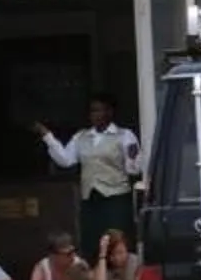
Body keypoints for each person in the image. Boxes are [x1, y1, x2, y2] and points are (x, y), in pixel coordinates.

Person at [38, 95, 144, 253]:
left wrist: (134, 157)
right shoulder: (81, 136)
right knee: (92, 242)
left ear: (109, 112)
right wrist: (47, 136)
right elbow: (66, 160)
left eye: (99, 110)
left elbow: (133, 170)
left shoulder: (124, 135)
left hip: (115, 199)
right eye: (92, 111)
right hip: (90, 200)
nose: (95, 114)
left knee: (117, 244)